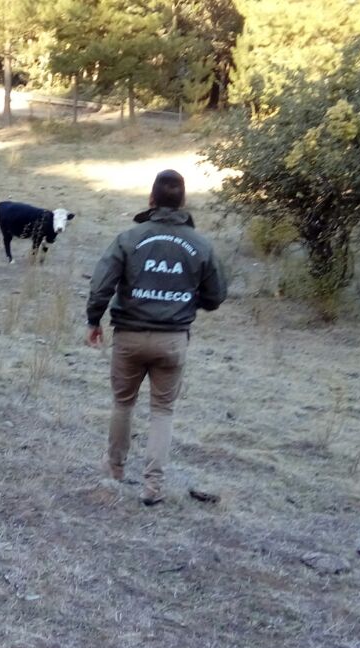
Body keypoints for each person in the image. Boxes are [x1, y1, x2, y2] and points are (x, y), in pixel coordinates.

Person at [85, 170, 227, 505]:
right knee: (162, 410)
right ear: (183, 202)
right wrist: (192, 302)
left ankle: (115, 469)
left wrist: (94, 320)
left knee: (123, 403)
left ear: (151, 200)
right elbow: (216, 295)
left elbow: (101, 285)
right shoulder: (200, 244)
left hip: (129, 337)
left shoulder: (129, 238)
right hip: (173, 341)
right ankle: (153, 486)